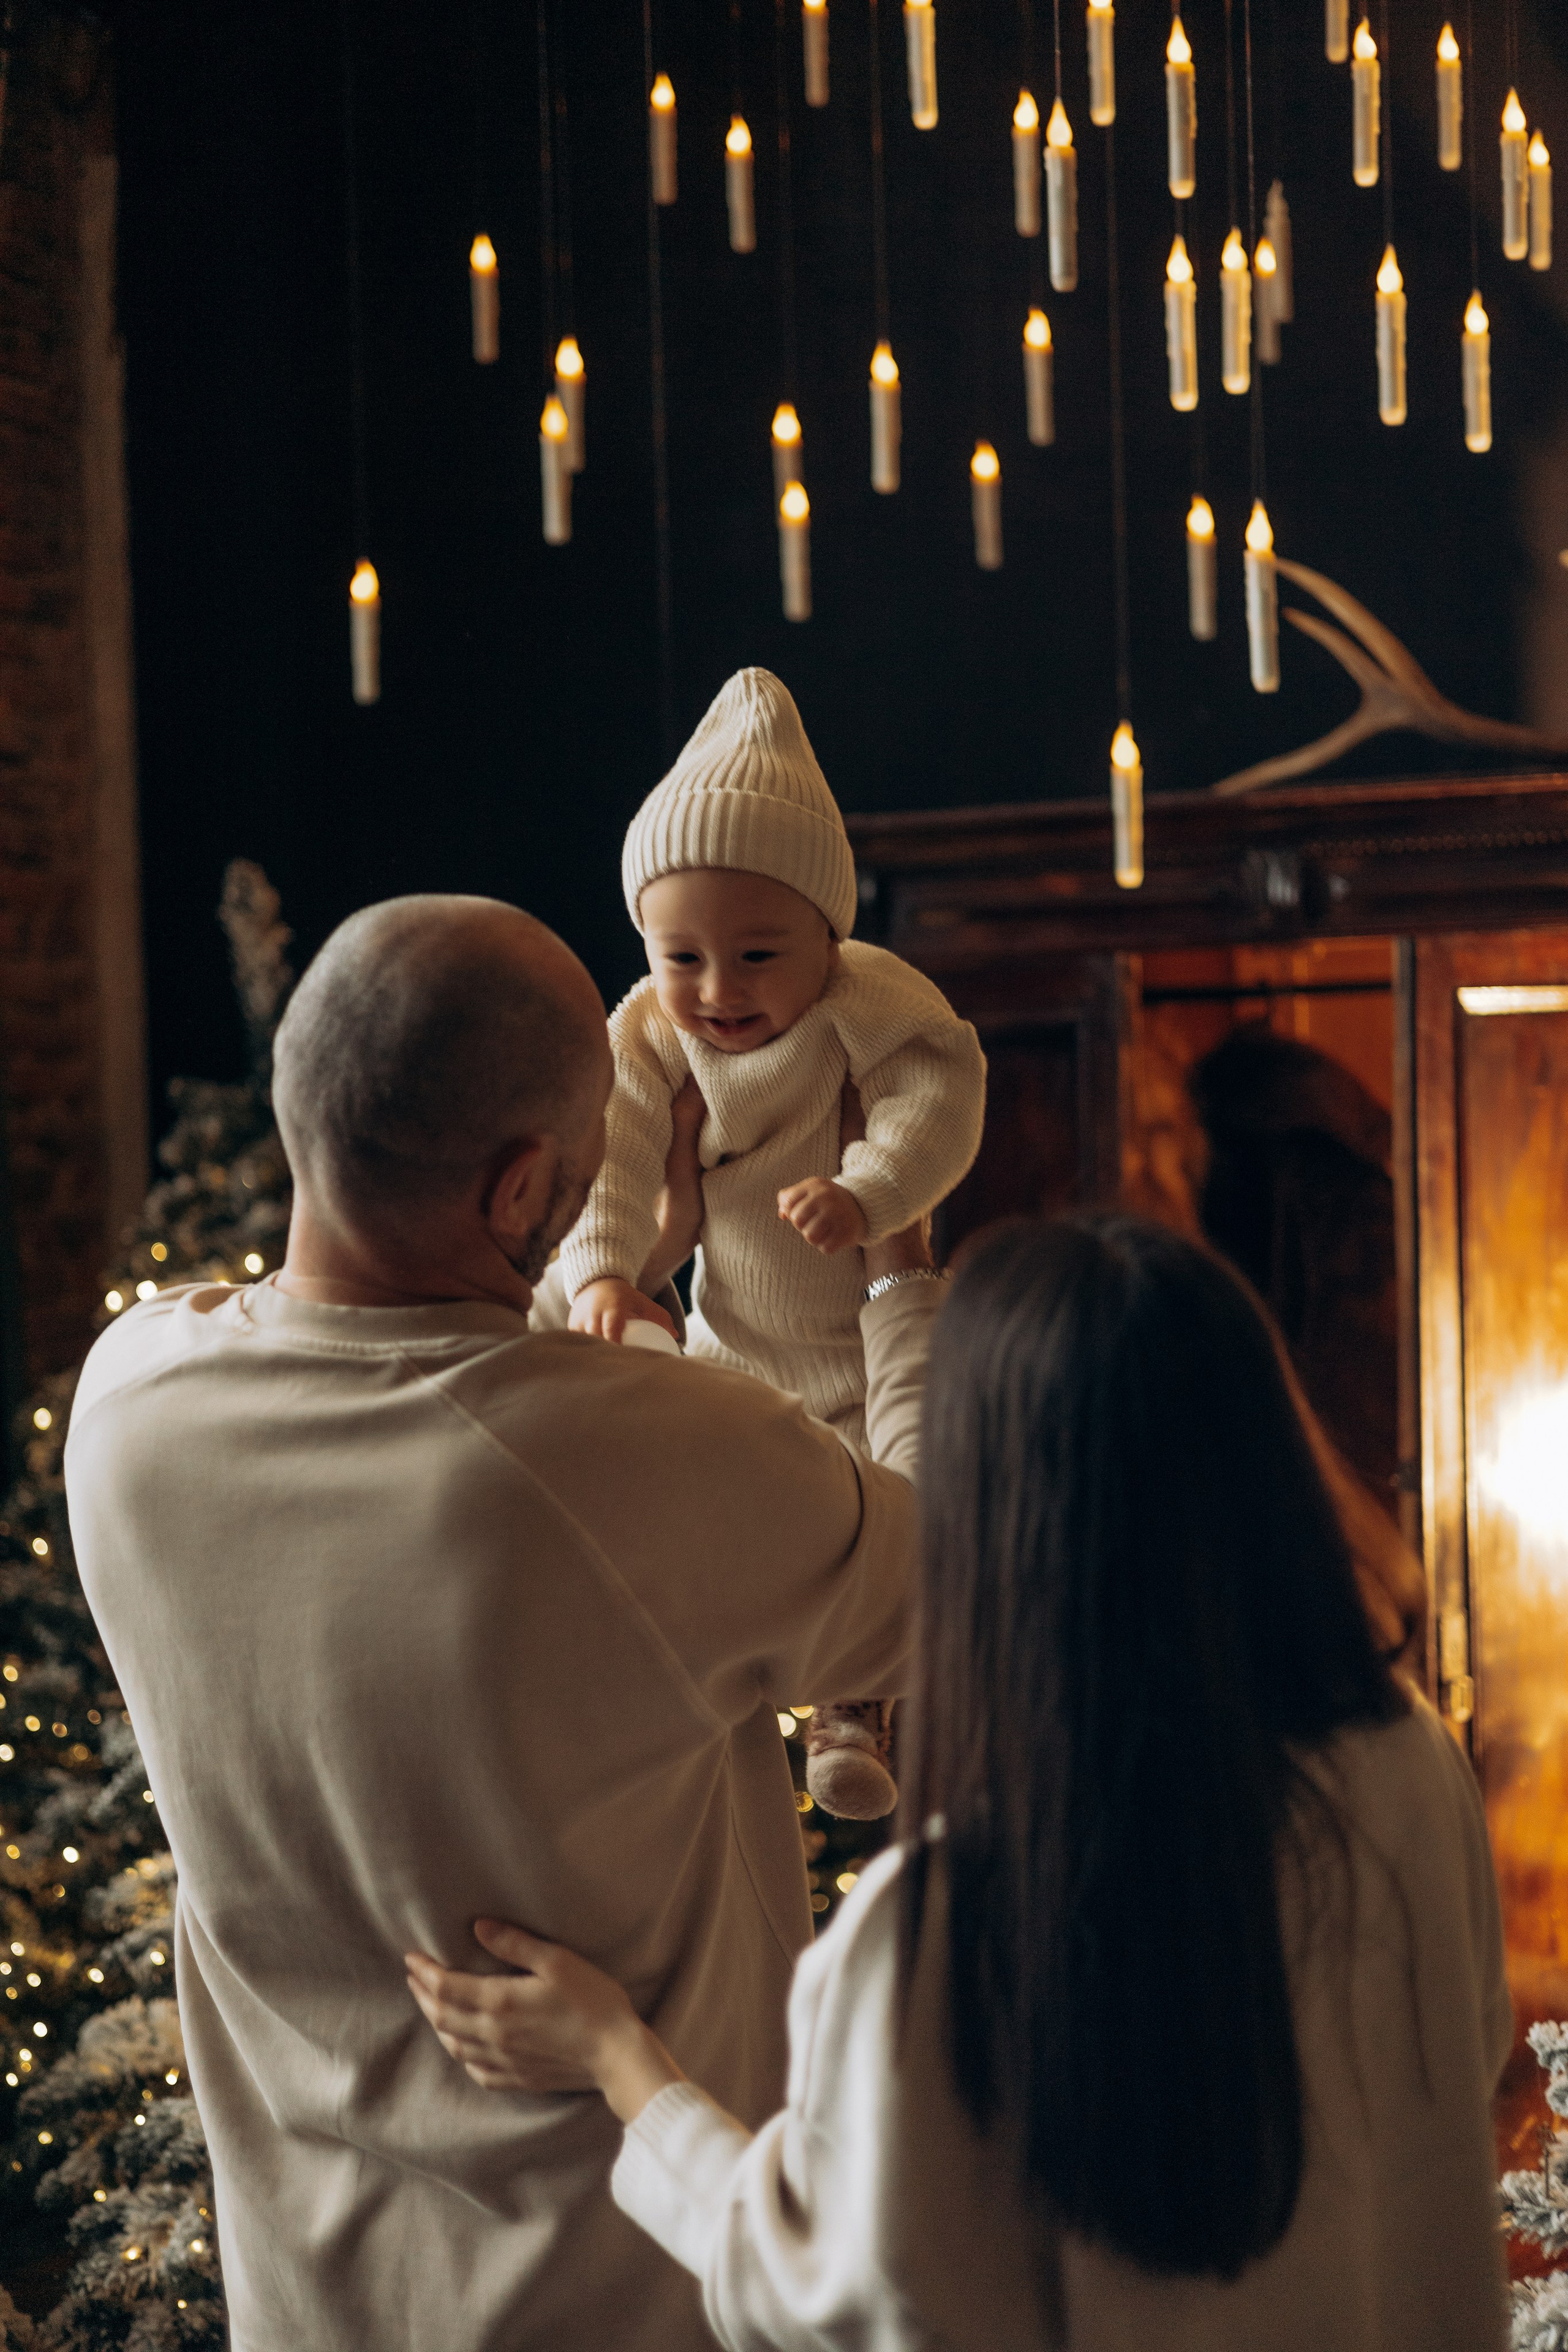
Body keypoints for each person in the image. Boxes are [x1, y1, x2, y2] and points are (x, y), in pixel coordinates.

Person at [63, 894, 944, 2352]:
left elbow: (420, 1364)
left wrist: (605, 1273)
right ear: (524, 1185)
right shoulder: (654, 1454)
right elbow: (946, 1575)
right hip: (628, 2296)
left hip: (308, 2297)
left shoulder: (128, 1406)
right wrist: (898, 1280)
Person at [409, 1216, 1512, 2352]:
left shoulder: (949, 1925)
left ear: (997, 1525)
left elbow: (818, 2288)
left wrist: (616, 2057)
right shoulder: (1410, 1767)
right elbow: (1461, 2072)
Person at [560, 666, 987, 1818]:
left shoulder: (866, 999)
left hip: (852, 1353)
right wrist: (606, 1270)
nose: (716, 990)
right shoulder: (647, 1034)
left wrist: (870, 1190)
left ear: (826, 936)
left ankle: (851, 1716)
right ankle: (721, 1685)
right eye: (681, 956)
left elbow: (939, 1088)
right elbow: (610, 1146)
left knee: (867, 1524)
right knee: (714, 1497)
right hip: (730, 1342)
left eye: (757, 955)